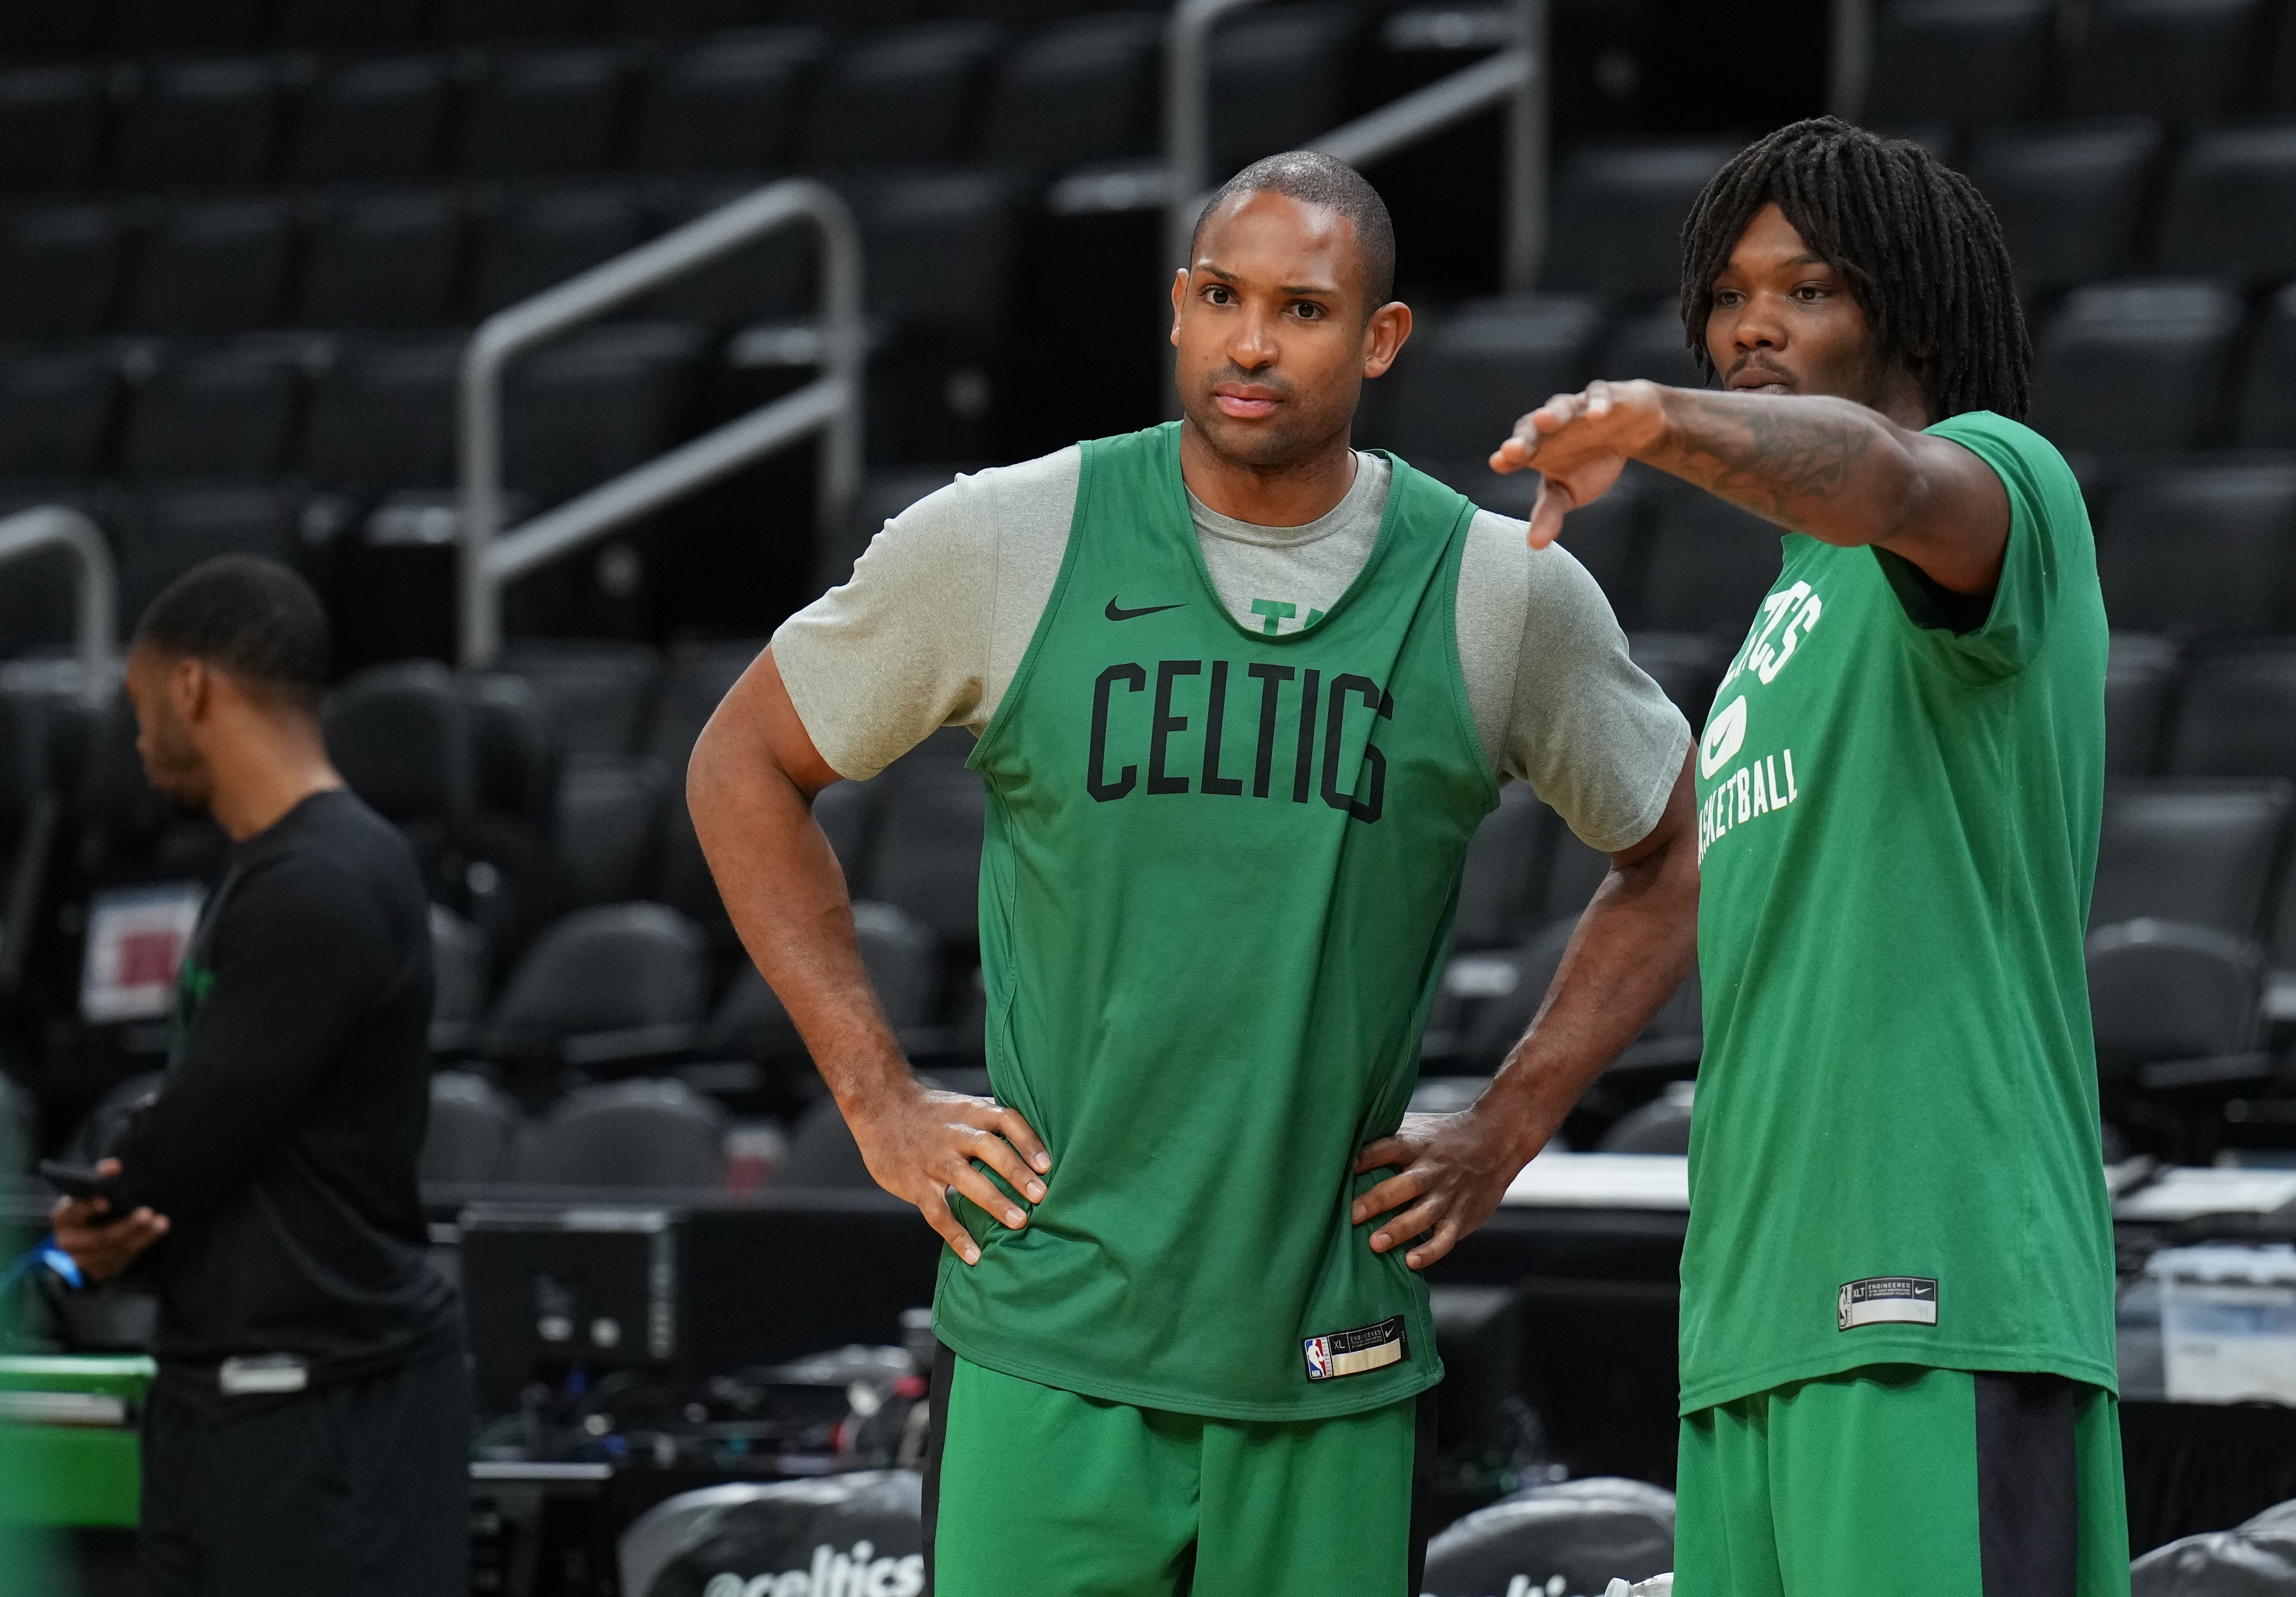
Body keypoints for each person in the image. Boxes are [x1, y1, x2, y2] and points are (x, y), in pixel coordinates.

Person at [689, 150, 1699, 1596]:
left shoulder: (1499, 588)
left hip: (1325, 1350)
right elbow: (742, 767)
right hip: (1051, 1336)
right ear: (1177, 307)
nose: (1250, 341)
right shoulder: (1006, 537)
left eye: (1301, 307)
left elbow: (1677, 848)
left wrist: (1510, 1119)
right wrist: (876, 1094)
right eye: (1222, 295)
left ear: (1381, 338)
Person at [1492, 117, 2124, 1595]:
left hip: (1931, 1285)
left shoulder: (1998, 482)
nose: (1752, 322)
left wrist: (1654, 419)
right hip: (1753, 1313)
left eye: (1810, 288)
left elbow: (1890, 484)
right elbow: (1685, 879)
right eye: (1728, 295)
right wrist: (1501, 1125)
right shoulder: (1796, 603)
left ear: (1905, 305)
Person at [48, 555, 467, 1597]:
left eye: (144, 706)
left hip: (314, 1418)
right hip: (242, 1404)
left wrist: (112, 1207)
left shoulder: (319, 880)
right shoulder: (280, 865)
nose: (141, 740)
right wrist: (104, 1226)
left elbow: (185, 1146)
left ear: (191, 686)